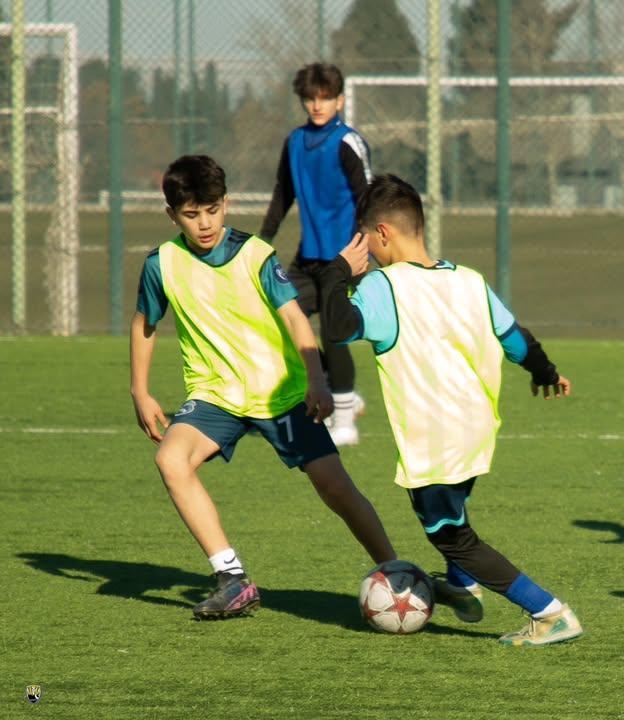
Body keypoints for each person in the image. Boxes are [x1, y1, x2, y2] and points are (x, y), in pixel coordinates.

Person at [321, 174, 584, 648]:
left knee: (451, 538)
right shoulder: (469, 280)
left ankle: (550, 613)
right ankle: (463, 588)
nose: (366, 252)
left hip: (435, 439)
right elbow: (515, 338)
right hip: (476, 428)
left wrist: (337, 271)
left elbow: (337, 328)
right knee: (454, 515)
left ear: (383, 233)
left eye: (365, 240)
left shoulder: (385, 287)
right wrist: (544, 371)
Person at [130, 155, 396, 620]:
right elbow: (144, 324)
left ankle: (395, 571)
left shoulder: (255, 255)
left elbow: (295, 318)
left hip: (280, 393)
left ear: (226, 204)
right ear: (172, 215)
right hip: (216, 395)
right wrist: (140, 390)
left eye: (212, 210)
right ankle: (231, 578)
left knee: (335, 487)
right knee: (171, 460)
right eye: (191, 214)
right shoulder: (162, 264)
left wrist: (316, 380)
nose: (204, 223)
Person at [260, 62, 373, 447]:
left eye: (325, 98)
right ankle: (340, 392)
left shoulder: (348, 142)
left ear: (340, 100)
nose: (317, 105)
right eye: (310, 98)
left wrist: (361, 250)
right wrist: (263, 240)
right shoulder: (295, 142)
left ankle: (345, 422)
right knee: (276, 320)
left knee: (333, 333)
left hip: (343, 259)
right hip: (307, 261)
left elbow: (367, 199)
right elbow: (283, 194)